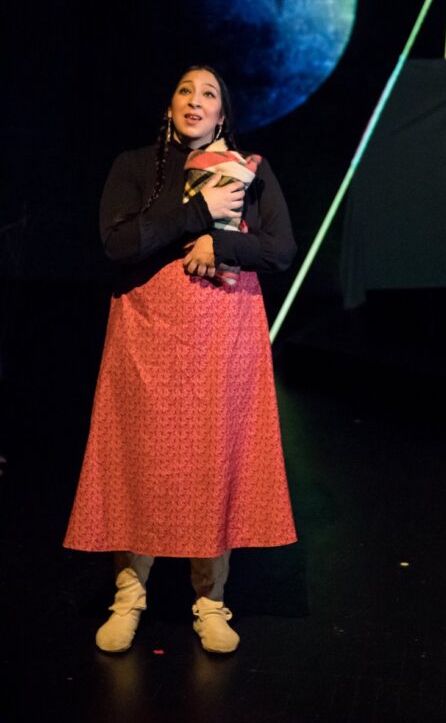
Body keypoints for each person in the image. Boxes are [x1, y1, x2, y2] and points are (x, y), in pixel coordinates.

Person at [64, 64, 297, 654]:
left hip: (221, 334)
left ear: (223, 114)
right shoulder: (135, 166)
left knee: (210, 461)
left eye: (209, 94)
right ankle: (129, 595)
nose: (196, 101)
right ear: (170, 105)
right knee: (138, 458)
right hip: (147, 333)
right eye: (185, 91)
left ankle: (210, 600)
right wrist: (197, 214)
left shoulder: (250, 170)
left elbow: (280, 249)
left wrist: (220, 242)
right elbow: (119, 244)